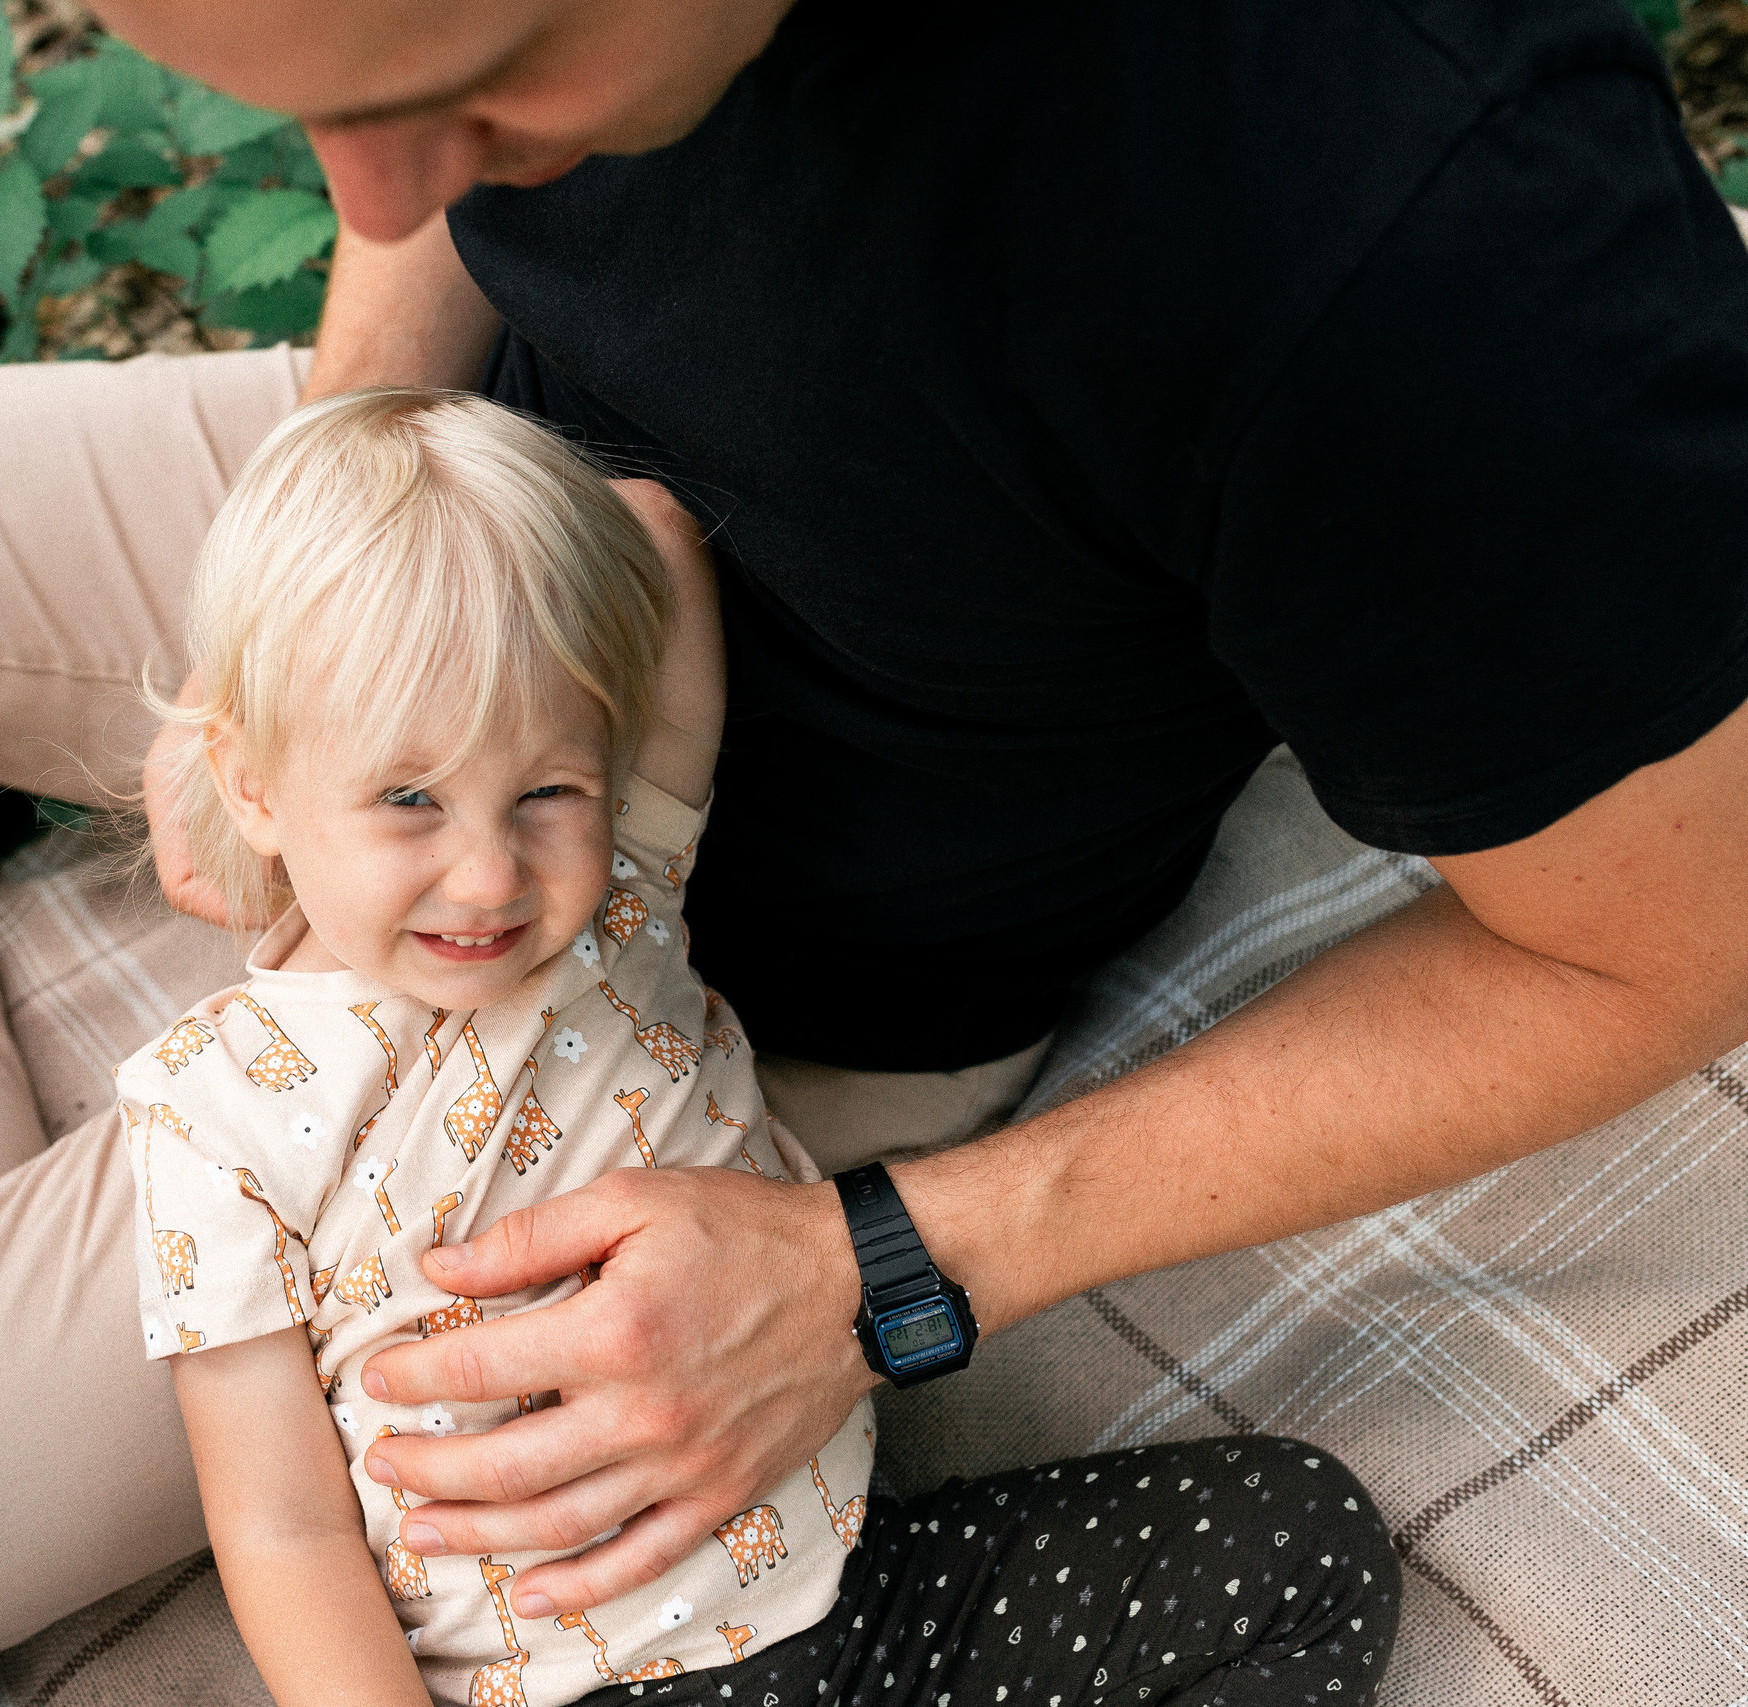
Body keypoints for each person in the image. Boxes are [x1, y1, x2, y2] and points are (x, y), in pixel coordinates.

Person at [0, 0, 1741, 1678]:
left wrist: (874, 1260)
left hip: (720, 925)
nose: (381, 174)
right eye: (294, 84)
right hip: (427, 548)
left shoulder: (1388, 207)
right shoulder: (421, 94)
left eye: (489, 76)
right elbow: (401, 199)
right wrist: (291, 586)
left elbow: (1670, 940)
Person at [122, 387, 1397, 1706]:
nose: (490, 872)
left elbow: (659, 553)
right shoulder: (208, 1111)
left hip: (867, 1592)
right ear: (253, 784)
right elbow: (279, 1527)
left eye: (548, 788)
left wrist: (518, 529)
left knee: (1306, 1543)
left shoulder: (618, 900)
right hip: (580, 1684)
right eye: (409, 800)